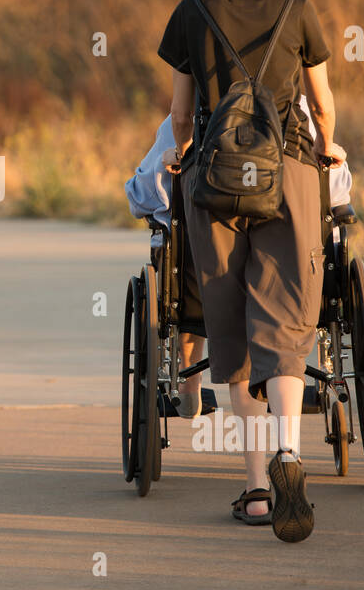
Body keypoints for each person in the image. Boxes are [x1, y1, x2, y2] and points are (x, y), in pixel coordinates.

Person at [158, 0, 346, 543]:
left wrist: (181, 152)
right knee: (286, 318)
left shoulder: (191, 14)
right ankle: (290, 451)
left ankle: (258, 491)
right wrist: (329, 144)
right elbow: (321, 102)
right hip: (289, 172)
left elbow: (182, 115)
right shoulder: (298, 12)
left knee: (230, 321)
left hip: (214, 181)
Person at [123, 106, 352, 419]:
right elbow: (337, 195)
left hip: (204, 286)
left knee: (185, 253)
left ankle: (188, 384)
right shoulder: (302, 116)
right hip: (292, 284)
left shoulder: (186, 121)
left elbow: (143, 198)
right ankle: (310, 379)